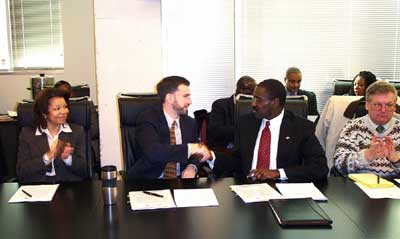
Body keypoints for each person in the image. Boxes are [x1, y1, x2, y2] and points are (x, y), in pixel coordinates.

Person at [213, 79, 328, 182]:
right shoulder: (245, 123)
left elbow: (319, 167)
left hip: (284, 191)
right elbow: (237, 161)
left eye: (258, 100)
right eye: (253, 98)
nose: (253, 104)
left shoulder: (301, 127)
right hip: (248, 188)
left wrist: (278, 173)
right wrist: (212, 157)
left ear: (275, 102)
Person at [127, 76, 212, 179]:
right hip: (150, 182)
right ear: (170, 98)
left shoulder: (190, 123)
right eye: (185, 96)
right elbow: (154, 152)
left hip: (180, 182)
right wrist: (189, 148)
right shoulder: (147, 119)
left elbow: (197, 153)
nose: (190, 101)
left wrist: (192, 166)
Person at [17, 88, 87, 183]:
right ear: (44, 113)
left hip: (67, 187)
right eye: (57, 108)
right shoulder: (27, 134)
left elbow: (84, 170)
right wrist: (47, 157)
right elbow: (21, 171)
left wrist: (68, 158)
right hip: (38, 188)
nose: (64, 111)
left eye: (65, 107)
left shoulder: (76, 131)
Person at [335, 81, 400, 177]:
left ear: (394, 107)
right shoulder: (353, 128)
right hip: (359, 186)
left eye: (389, 105)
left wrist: (396, 160)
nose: (383, 110)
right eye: (377, 104)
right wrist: (366, 155)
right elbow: (339, 165)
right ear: (367, 105)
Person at [208, 76, 256, 149]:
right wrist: (245, 129)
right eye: (251, 92)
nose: (252, 95)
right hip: (226, 148)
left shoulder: (256, 106)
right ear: (241, 90)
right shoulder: (220, 105)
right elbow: (217, 130)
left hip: (248, 148)